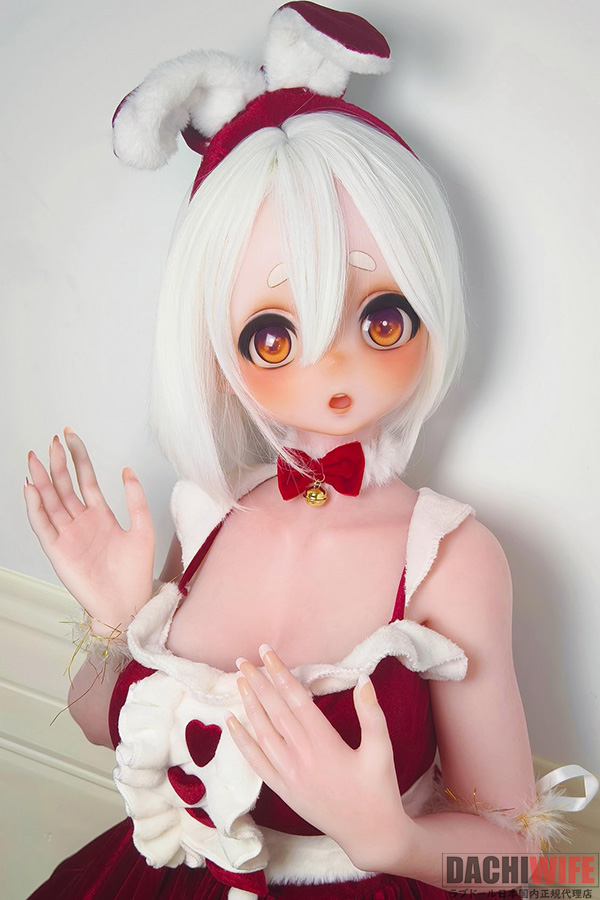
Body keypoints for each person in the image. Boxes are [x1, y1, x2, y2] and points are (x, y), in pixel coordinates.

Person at [23, 3, 597, 899]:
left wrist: (392, 839)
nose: (333, 370)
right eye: (273, 335)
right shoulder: (210, 512)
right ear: (216, 348)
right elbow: (105, 724)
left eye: (381, 317)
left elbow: (537, 861)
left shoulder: (450, 559)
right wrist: (115, 615)